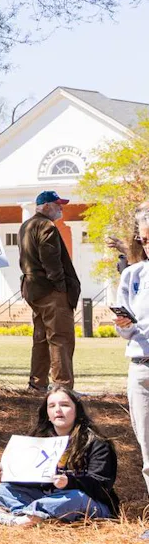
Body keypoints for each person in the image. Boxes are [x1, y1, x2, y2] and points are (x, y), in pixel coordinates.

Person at [0, 389, 119, 525]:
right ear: (47, 414)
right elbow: (32, 479)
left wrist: (69, 482)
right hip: (48, 497)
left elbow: (102, 485)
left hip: (88, 501)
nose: (58, 410)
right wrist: (8, 472)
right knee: (1, 490)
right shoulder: (39, 441)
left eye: (65, 405)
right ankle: (32, 518)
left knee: (74, 498)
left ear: (77, 411)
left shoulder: (97, 443)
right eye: (52, 406)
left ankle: (22, 519)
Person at [19, 190, 80, 391]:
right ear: (45, 206)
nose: (61, 208)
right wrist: (62, 287)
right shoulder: (46, 225)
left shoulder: (26, 225)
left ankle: (37, 384)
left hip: (34, 290)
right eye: (57, 204)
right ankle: (62, 386)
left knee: (41, 338)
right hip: (50, 291)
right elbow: (51, 261)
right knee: (60, 338)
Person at [112, 203, 149, 504]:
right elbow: (126, 331)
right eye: (145, 240)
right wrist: (123, 325)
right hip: (141, 369)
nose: (148, 246)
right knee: (148, 453)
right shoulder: (133, 276)